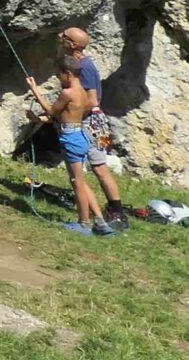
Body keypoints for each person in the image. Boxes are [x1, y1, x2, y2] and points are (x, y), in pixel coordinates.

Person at [28, 26, 127, 229]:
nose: (59, 36)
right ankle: (100, 215)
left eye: (64, 36)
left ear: (73, 44)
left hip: (94, 124)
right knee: (95, 169)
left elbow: (92, 100)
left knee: (100, 168)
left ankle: (117, 213)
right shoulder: (76, 64)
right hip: (89, 122)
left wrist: (71, 118)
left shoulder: (85, 67)